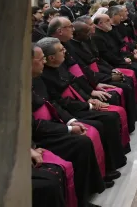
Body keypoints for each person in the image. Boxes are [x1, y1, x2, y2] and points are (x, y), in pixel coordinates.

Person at [35, 37, 127, 187]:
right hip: (56, 120)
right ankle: (97, 179)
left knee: (110, 111)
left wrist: (89, 96)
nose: (65, 51)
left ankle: (112, 162)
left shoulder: (59, 66)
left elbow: (74, 83)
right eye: (61, 50)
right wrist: (83, 110)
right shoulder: (42, 76)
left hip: (71, 108)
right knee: (100, 124)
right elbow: (57, 102)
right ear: (51, 57)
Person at [31, 45, 106, 207]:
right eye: (40, 59)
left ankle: (85, 194)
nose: (44, 62)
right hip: (40, 134)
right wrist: (69, 129)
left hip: (52, 124)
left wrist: (71, 122)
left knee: (84, 141)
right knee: (81, 143)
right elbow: (33, 124)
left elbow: (52, 105)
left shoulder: (37, 79)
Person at [93, 13, 137, 98]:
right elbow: (107, 55)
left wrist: (130, 55)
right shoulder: (97, 37)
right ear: (100, 24)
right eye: (107, 20)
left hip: (120, 57)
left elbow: (120, 45)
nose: (110, 22)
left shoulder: (108, 30)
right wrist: (125, 59)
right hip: (113, 62)